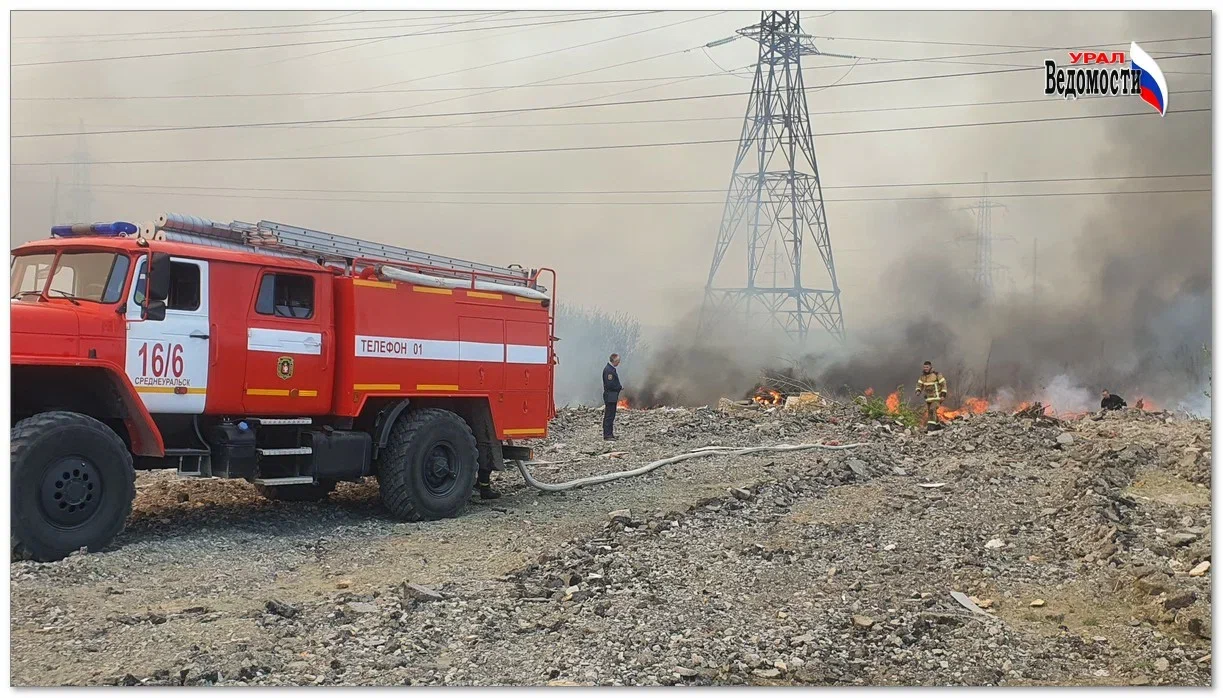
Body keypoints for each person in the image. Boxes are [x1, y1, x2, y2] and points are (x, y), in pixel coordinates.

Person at [914, 360, 948, 431]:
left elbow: (943, 384)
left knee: (932, 409)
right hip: (928, 398)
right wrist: (918, 390)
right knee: (930, 412)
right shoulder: (922, 377)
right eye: (924, 367)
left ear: (930, 367)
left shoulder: (937, 375)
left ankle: (931, 427)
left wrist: (943, 395)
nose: (925, 368)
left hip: (937, 397)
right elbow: (919, 384)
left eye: (927, 367)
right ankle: (938, 426)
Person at [602, 353, 623, 441]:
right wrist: (619, 387)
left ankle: (610, 434)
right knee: (609, 415)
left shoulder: (610, 369)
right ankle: (607, 435)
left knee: (611, 414)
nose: (619, 363)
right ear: (614, 361)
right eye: (618, 361)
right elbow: (610, 384)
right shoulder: (609, 371)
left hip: (612, 395)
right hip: (610, 395)